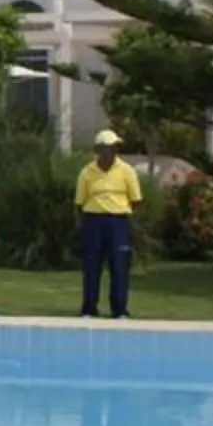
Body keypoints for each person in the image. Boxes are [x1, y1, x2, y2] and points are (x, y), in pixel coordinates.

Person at [75, 129, 145, 320]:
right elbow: (80, 202)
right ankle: (89, 308)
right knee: (91, 267)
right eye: (106, 148)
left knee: (119, 267)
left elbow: (136, 199)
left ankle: (120, 310)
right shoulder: (87, 172)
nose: (110, 152)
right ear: (98, 150)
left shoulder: (126, 171)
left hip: (118, 222)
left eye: (113, 148)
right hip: (94, 221)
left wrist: (118, 210)